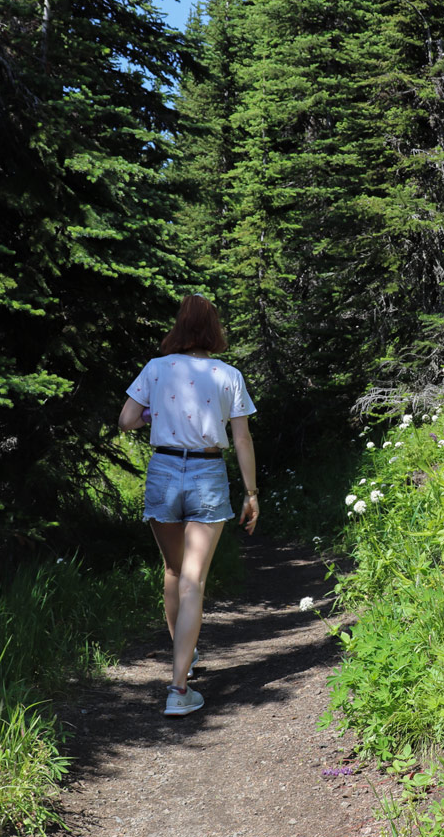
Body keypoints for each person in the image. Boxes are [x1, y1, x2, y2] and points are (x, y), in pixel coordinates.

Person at [118, 295, 259, 717]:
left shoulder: (156, 368)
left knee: (174, 571)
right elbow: (241, 439)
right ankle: (179, 689)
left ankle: (186, 658)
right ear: (214, 328)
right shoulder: (228, 374)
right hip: (206, 473)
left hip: (163, 470)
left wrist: (153, 417)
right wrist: (251, 494)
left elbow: (126, 420)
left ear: (179, 326)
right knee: (193, 579)